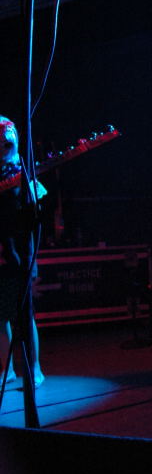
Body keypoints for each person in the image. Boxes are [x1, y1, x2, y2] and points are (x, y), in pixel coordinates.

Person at [0, 116, 45, 389]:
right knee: (0, 315)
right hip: (1, 253)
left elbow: (36, 212)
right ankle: (6, 370)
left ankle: (35, 367)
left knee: (25, 314)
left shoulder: (23, 171)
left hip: (21, 253)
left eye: (6, 142)